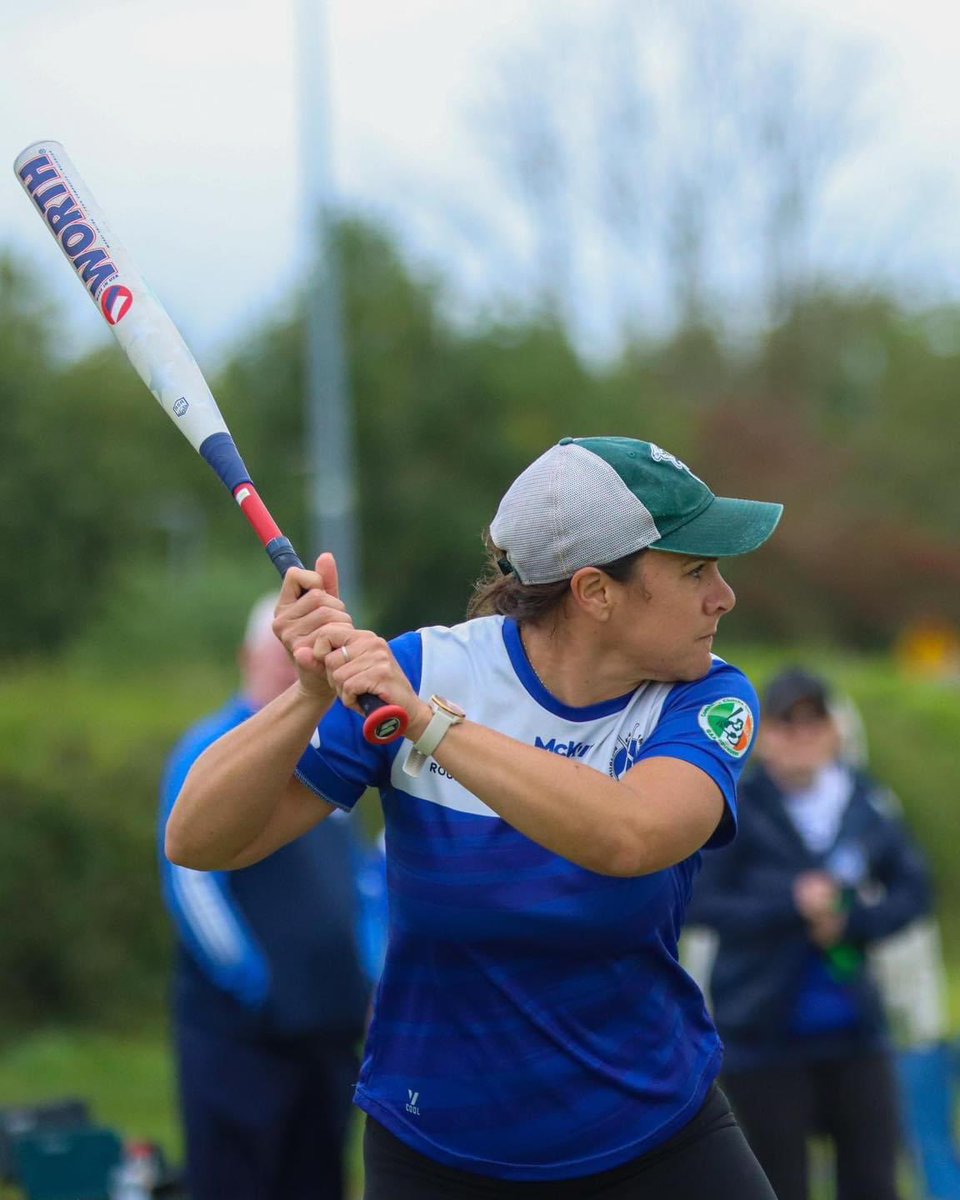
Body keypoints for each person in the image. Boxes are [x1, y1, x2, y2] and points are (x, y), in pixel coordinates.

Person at [165, 435, 784, 1199]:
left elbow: (633, 836)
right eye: (695, 572)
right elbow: (199, 840)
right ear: (595, 592)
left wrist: (432, 727)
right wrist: (308, 696)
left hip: (653, 1134)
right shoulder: (428, 667)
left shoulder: (709, 697)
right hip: (437, 1147)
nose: (723, 596)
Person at [687, 666, 933, 1200]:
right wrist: (792, 904)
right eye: (786, 722)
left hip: (857, 1029)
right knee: (779, 1185)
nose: (801, 735)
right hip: (761, 1033)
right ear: (763, 735)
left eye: (814, 721)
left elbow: (914, 890)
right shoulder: (736, 805)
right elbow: (699, 902)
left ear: (834, 731)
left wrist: (853, 921)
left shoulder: (866, 802)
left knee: (874, 1182)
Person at [157, 594, 372, 1200]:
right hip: (243, 1034)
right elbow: (192, 883)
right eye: (279, 655)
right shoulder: (212, 748)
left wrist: (369, 976)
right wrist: (256, 985)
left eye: (304, 656)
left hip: (327, 1029)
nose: (291, 667)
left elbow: (358, 883)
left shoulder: (328, 751)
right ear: (246, 658)